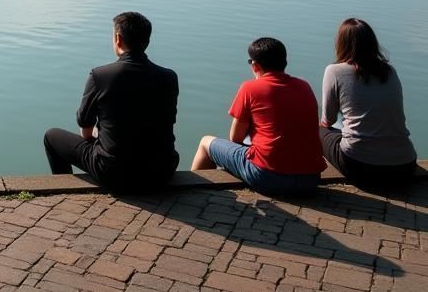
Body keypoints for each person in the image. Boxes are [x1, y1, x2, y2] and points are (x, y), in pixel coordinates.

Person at [43, 12, 179, 191]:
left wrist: (97, 137)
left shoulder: (100, 75)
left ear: (118, 39)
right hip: (162, 170)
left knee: (51, 136)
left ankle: (64, 191)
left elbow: (85, 127)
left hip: (114, 173)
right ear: (147, 41)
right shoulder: (168, 77)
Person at [192, 37, 324, 195]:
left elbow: (235, 138)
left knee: (205, 143)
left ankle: (193, 195)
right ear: (285, 62)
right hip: (310, 179)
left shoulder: (250, 88)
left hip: (267, 178)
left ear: (254, 65)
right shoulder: (304, 86)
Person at [320, 18, 417, 190]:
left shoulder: (334, 71)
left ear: (341, 43)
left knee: (319, 130)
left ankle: (304, 169)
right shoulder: (389, 71)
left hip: (362, 168)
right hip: (405, 167)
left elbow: (327, 120)